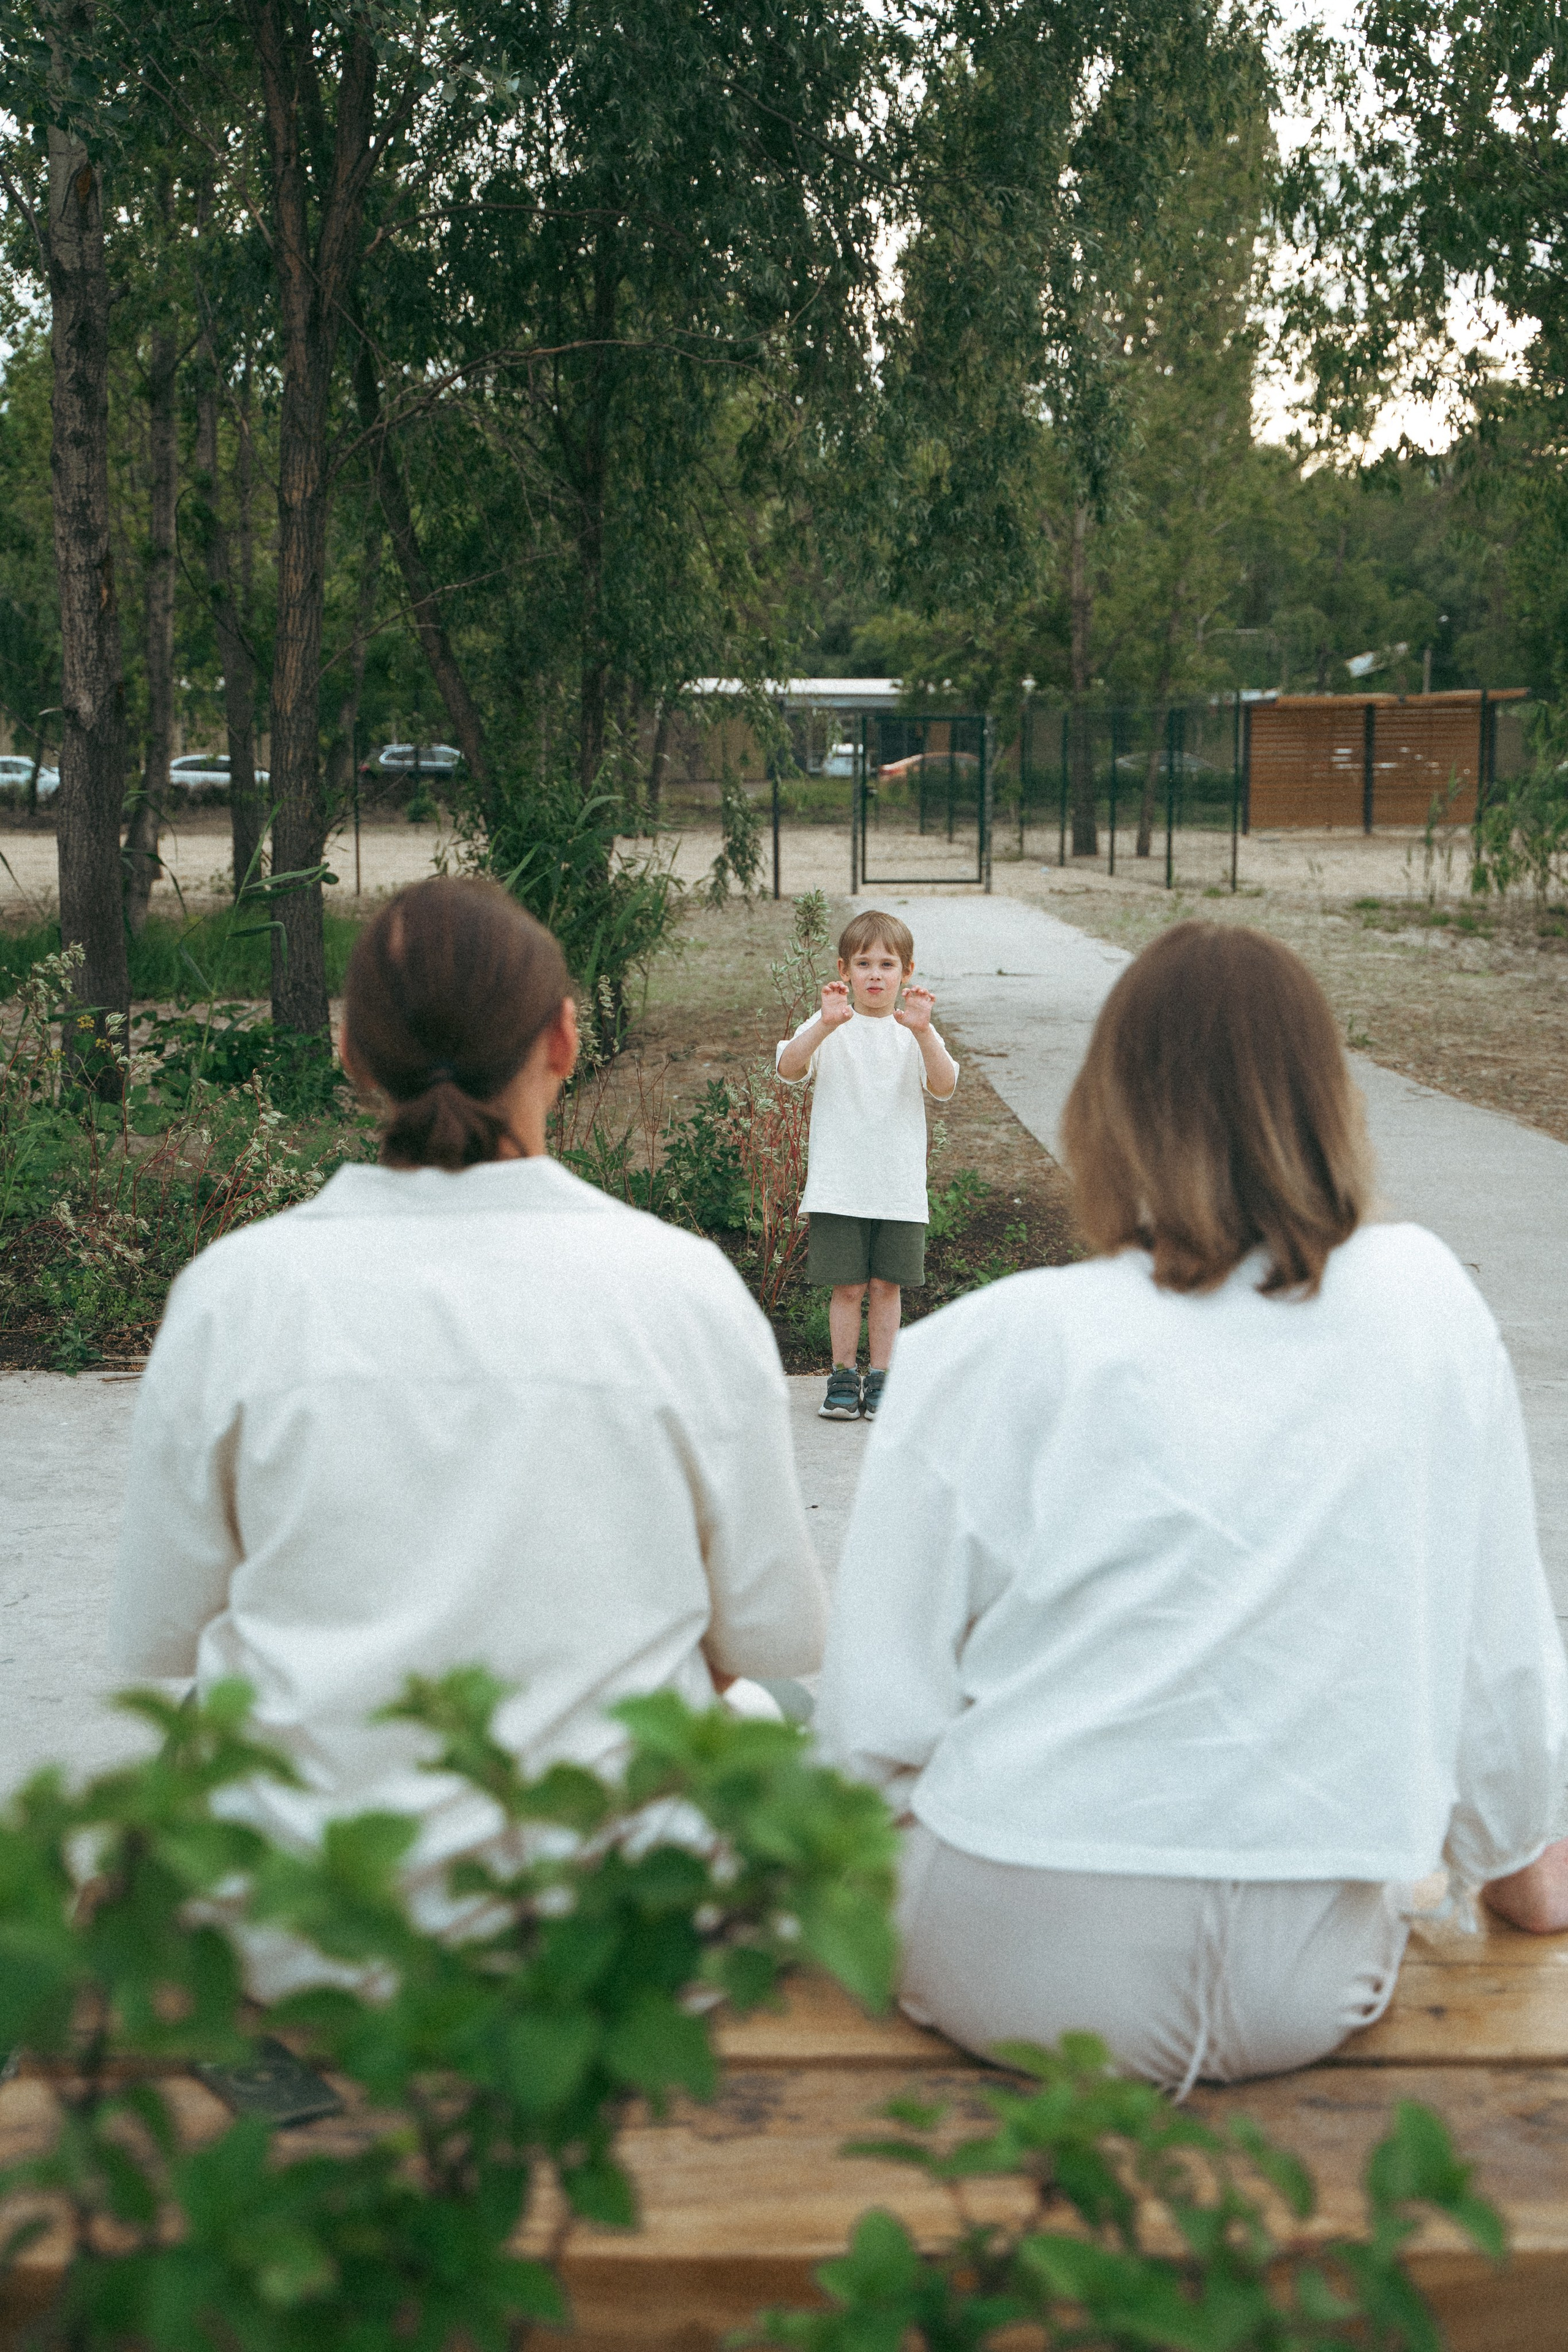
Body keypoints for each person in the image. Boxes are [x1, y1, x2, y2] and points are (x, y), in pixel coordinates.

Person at [815, 921, 1568, 2092]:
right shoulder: (1428, 1303)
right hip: (1307, 1964)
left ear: (1107, 1113)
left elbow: (872, 1722)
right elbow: (1498, 1655)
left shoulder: (991, 1344)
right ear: (1330, 1100)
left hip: (1018, 1953)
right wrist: (1518, 1867)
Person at [110, 876, 825, 1981]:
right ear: (564, 1039)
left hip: (305, 1933)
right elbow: (769, 1639)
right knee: (787, 1713)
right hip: (610, 1934)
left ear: (350, 1053)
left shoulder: (236, 1293)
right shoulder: (681, 1290)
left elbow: (166, 1632)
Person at [777, 911, 958, 1423]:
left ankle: (881, 1377)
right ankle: (841, 1375)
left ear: (906, 972)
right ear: (845, 969)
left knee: (886, 1286)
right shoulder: (829, 1023)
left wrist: (924, 1033)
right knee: (848, 1287)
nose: (875, 974)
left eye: (887, 964)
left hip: (897, 1187)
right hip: (840, 1184)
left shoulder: (914, 1031)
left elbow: (944, 1086)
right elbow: (789, 1069)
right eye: (863, 964)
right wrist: (824, 1025)